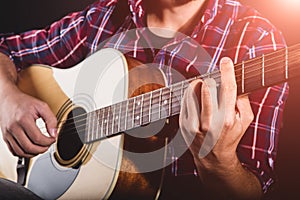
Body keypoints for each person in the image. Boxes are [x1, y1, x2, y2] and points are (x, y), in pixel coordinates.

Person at [0, 0, 288, 199]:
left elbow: (254, 191)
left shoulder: (256, 40)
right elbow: (5, 49)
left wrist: (218, 162)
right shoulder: (105, 16)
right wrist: (8, 98)